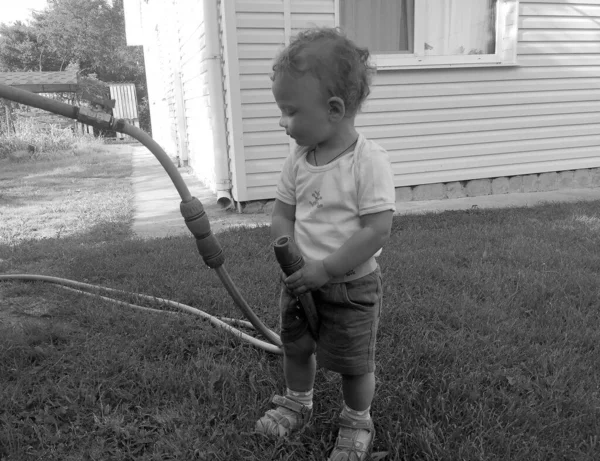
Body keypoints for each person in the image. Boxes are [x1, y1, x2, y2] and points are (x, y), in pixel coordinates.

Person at [255, 27, 396, 461]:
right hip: (300, 280)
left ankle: (357, 419)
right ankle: (298, 399)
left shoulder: (367, 161)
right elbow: (283, 211)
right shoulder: (298, 159)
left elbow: (376, 230)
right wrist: (286, 243)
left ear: (334, 109)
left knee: (354, 364)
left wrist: (327, 268)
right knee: (296, 346)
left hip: (350, 286)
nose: (282, 122)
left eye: (290, 111)